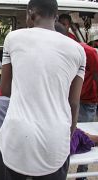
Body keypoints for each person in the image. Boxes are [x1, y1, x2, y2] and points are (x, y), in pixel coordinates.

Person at [0, 0, 86, 179]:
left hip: (16, 136)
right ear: (56, 17)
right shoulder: (78, 50)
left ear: (31, 14)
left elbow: (5, 89)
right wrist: (69, 135)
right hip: (56, 139)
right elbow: (74, 102)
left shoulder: (13, 38)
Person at [56, 21, 98, 180]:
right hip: (66, 99)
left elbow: (96, 75)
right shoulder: (57, 53)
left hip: (87, 101)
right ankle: (61, 170)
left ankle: (82, 174)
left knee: (85, 139)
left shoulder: (88, 52)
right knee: (66, 136)